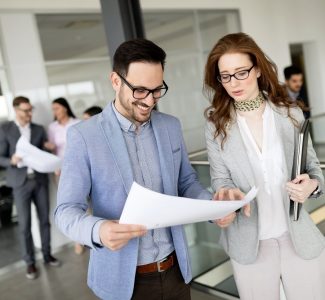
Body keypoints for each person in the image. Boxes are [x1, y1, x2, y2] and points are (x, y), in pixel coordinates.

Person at [54, 38, 212, 300]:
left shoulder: (170, 126)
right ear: (116, 81)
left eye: (157, 89)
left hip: (176, 273)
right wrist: (98, 231)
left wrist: (212, 205)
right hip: (124, 283)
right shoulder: (84, 136)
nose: (149, 101)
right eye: (140, 90)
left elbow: (186, 182)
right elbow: (65, 211)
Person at [204, 32, 325, 300]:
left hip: (298, 238)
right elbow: (219, 180)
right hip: (249, 243)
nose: (233, 83)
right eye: (225, 76)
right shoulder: (216, 126)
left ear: (257, 69)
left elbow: (316, 172)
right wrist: (227, 194)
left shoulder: (289, 114)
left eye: (241, 72)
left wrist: (312, 186)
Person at [0, 96, 60, 280]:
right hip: (20, 183)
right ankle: (30, 262)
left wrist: (49, 148)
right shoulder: (5, 129)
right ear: (16, 110)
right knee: (24, 225)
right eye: (25, 110)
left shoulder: (38, 129)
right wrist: (11, 160)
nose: (29, 114)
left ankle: (47, 255)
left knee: (44, 220)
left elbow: (41, 154)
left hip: (40, 181)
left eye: (30, 110)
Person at [45, 97, 80, 161]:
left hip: (78, 160)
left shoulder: (78, 123)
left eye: (57, 109)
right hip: (61, 162)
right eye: (53, 109)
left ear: (65, 108)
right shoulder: (52, 127)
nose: (55, 112)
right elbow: (52, 146)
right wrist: (50, 147)